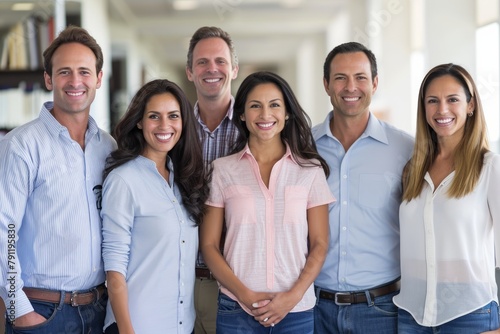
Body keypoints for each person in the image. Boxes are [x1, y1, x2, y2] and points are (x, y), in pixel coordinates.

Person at [0, 26, 116, 333]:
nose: (75, 81)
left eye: (84, 72)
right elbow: (3, 231)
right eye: (64, 72)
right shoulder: (21, 145)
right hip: (42, 313)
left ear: (99, 79)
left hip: (99, 310)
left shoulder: (109, 147)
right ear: (49, 79)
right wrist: (18, 310)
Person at [200, 71, 335, 334]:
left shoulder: (310, 170)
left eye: (274, 105)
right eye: (255, 106)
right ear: (241, 114)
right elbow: (209, 245)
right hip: (237, 309)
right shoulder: (222, 170)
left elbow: (319, 244)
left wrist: (292, 297)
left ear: (286, 113)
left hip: (295, 311)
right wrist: (245, 295)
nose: (265, 114)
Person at [312, 41, 414, 333]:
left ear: (375, 83)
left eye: (360, 78)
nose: (350, 87)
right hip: (315, 308)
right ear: (326, 84)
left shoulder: (405, 148)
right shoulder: (302, 147)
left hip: (382, 310)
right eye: (340, 78)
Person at [393, 63, 500, 333]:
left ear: (471, 105)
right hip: (411, 315)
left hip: (470, 313)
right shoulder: (412, 170)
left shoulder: (489, 167)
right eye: (433, 101)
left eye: (452, 99)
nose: (442, 110)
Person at [100, 79, 209, 333]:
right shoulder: (123, 180)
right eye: (154, 116)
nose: (164, 126)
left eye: (173, 116)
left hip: (182, 325)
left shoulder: (182, 179)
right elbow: (114, 272)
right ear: (139, 121)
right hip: (138, 325)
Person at [185, 26, 240, 334]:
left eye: (220, 61)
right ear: (190, 72)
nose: (212, 69)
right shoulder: (173, 130)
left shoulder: (256, 129)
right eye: (202, 62)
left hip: (237, 279)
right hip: (180, 277)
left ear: (234, 69)